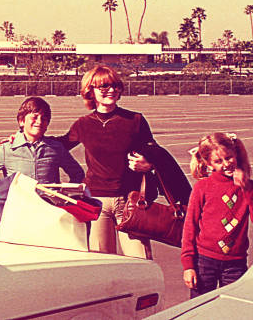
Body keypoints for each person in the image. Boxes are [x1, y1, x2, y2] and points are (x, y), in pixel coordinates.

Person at [58, 64, 178, 259]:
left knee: (141, 261)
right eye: (104, 87)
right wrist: (23, 136)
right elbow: (60, 144)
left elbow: (155, 153)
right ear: (91, 91)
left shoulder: (135, 120)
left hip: (129, 200)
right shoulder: (83, 124)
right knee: (104, 263)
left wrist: (148, 164)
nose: (112, 90)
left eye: (115, 86)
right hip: (97, 201)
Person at [182, 132, 253, 298]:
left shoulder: (247, 186)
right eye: (218, 161)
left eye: (229, 157)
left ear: (235, 154)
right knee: (201, 307)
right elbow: (189, 227)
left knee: (233, 307)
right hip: (204, 261)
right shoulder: (203, 187)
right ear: (209, 165)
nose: (226, 164)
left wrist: (248, 189)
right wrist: (188, 265)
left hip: (235, 263)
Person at [0, 96, 84, 208]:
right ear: (22, 121)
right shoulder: (8, 149)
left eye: (44, 119)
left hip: (49, 212)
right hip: (19, 213)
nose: (39, 122)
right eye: (34, 117)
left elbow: (77, 173)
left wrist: (64, 196)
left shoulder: (56, 148)